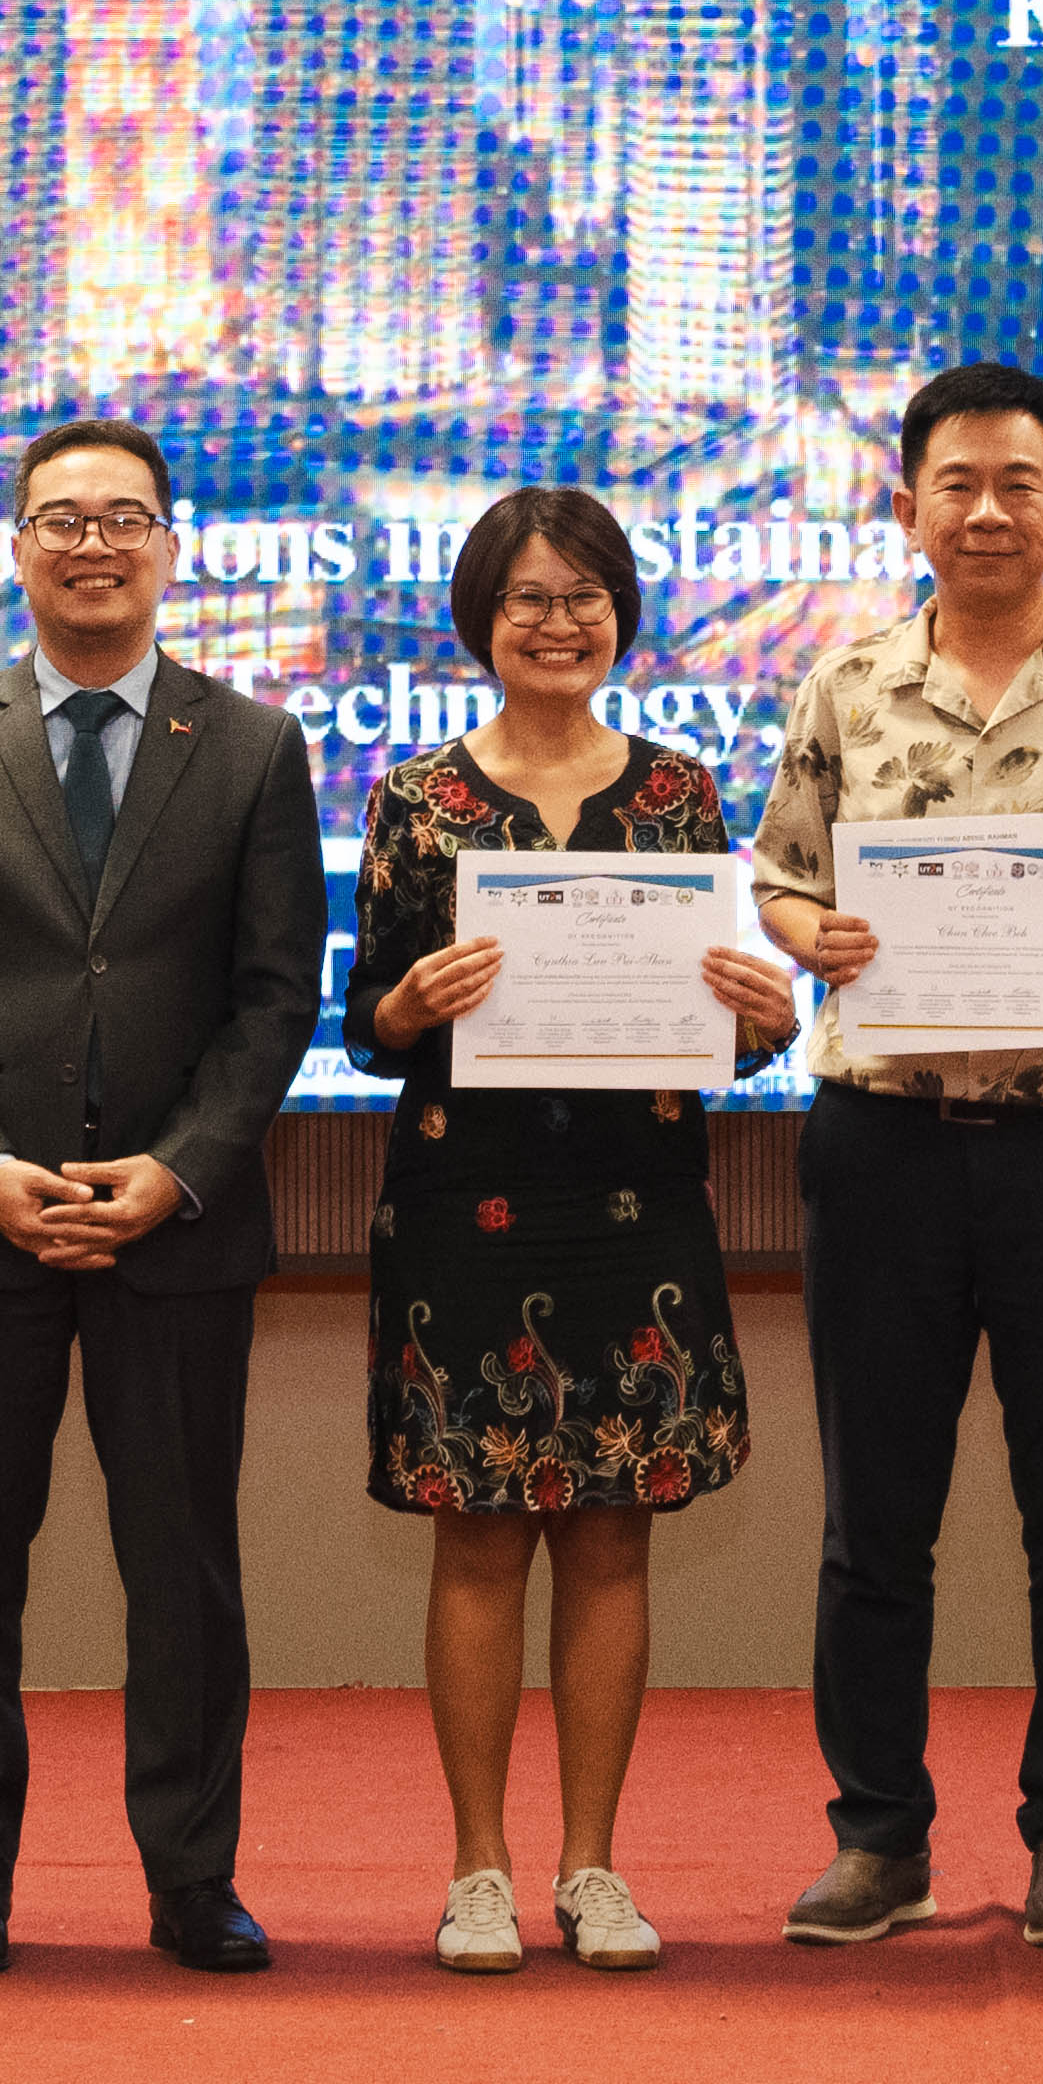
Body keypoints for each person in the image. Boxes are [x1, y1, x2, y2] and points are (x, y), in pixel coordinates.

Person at [0, 415, 326, 1981]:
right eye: (62, 518)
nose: (93, 543)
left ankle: (193, 1878)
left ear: (171, 547)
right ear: (17, 545)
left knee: (183, 1568)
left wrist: (176, 1170)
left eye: (125, 516)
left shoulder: (253, 746)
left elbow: (273, 999)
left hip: (173, 1234)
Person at [752, 362, 1043, 1953]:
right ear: (907, 505)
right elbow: (776, 881)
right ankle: (878, 1834)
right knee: (873, 1514)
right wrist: (815, 929)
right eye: (954, 482)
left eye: (1018, 482)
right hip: (878, 1142)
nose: (986, 510)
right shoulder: (846, 683)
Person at [345, 487, 803, 1974]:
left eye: (585, 593)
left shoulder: (677, 795)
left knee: (612, 1533)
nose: (558, 619)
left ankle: (590, 1865)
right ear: (479, 615)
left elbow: (708, 1032)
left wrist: (762, 1019)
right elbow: (367, 1022)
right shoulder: (414, 796)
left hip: (635, 1204)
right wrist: (407, 1006)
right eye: (529, 595)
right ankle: (477, 1868)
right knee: (478, 1534)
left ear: (620, 611)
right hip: (465, 1204)